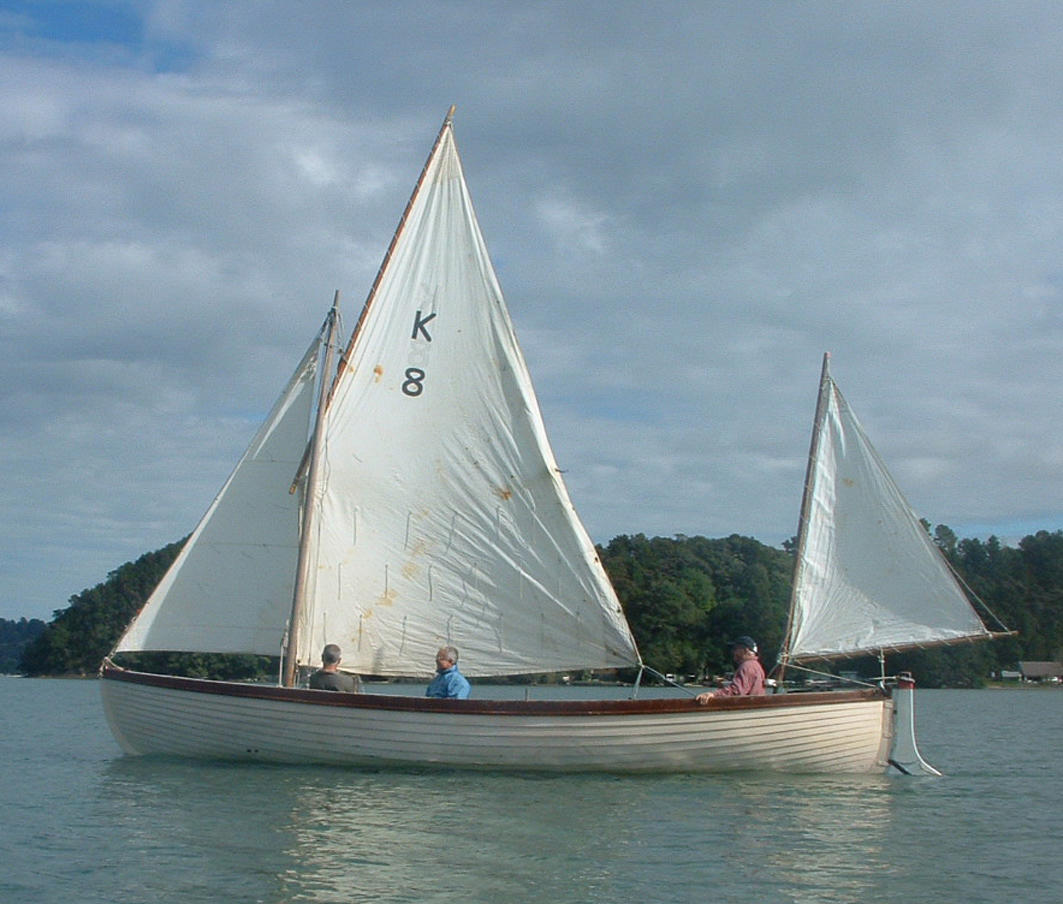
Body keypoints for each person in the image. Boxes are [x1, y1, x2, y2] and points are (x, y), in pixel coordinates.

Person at [695, 635, 766, 704]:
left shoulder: (747, 667)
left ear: (745, 650)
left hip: (744, 710)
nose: (733, 652)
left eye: (735, 649)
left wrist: (713, 694)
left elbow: (736, 691)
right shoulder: (756, 666)